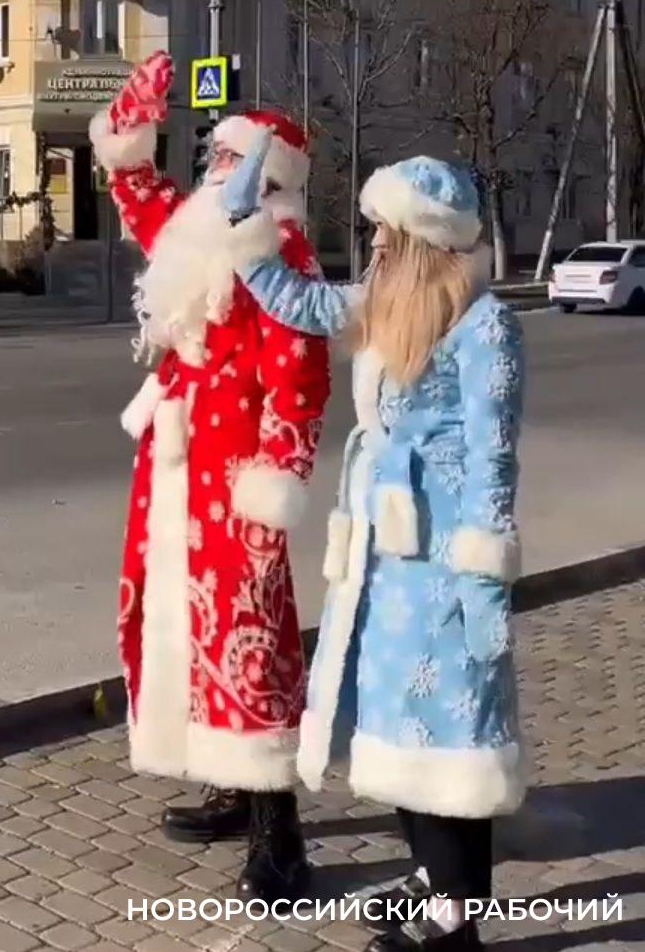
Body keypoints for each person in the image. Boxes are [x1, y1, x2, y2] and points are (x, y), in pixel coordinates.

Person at [220, 138, 526, 951]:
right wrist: (244, 220)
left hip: (448, 564)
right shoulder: (385, 301)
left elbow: (496, 458)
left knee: (453, 739)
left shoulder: (486, 324)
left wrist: (484, 582)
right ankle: (431, 882)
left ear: (424, 237)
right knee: (397, 731)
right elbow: (298, 301)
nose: (375, 245)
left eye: (388, 233)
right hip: (384, 567)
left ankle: (456, 921)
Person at [89, 53, 331, 901]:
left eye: (231, 160)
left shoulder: (279, 246)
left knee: (249, 641)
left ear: (269, 175)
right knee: (182, 632)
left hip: (234, 483)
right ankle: (230, 786)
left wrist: (273, 487)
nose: (215, 171)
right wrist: (131, 119)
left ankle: (281, 837)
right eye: (214, 159)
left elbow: (299, 378)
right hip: (173, 472)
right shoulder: (198, 230)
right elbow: (139, 192)